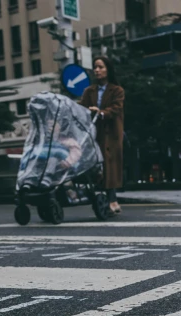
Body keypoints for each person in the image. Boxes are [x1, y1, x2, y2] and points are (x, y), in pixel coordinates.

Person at [80, 56, 125, 215]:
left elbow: (116, 108)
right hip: (93, 132)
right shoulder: (89, 91)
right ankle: (96, 196)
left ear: (108, 70)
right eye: (95, 67)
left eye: (100, 67)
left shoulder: (117, 90)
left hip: (111, 133)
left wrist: (101, 112)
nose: (97, 70)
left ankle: (113, 200)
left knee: (109, 164)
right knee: (92, 164)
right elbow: (81, 107)